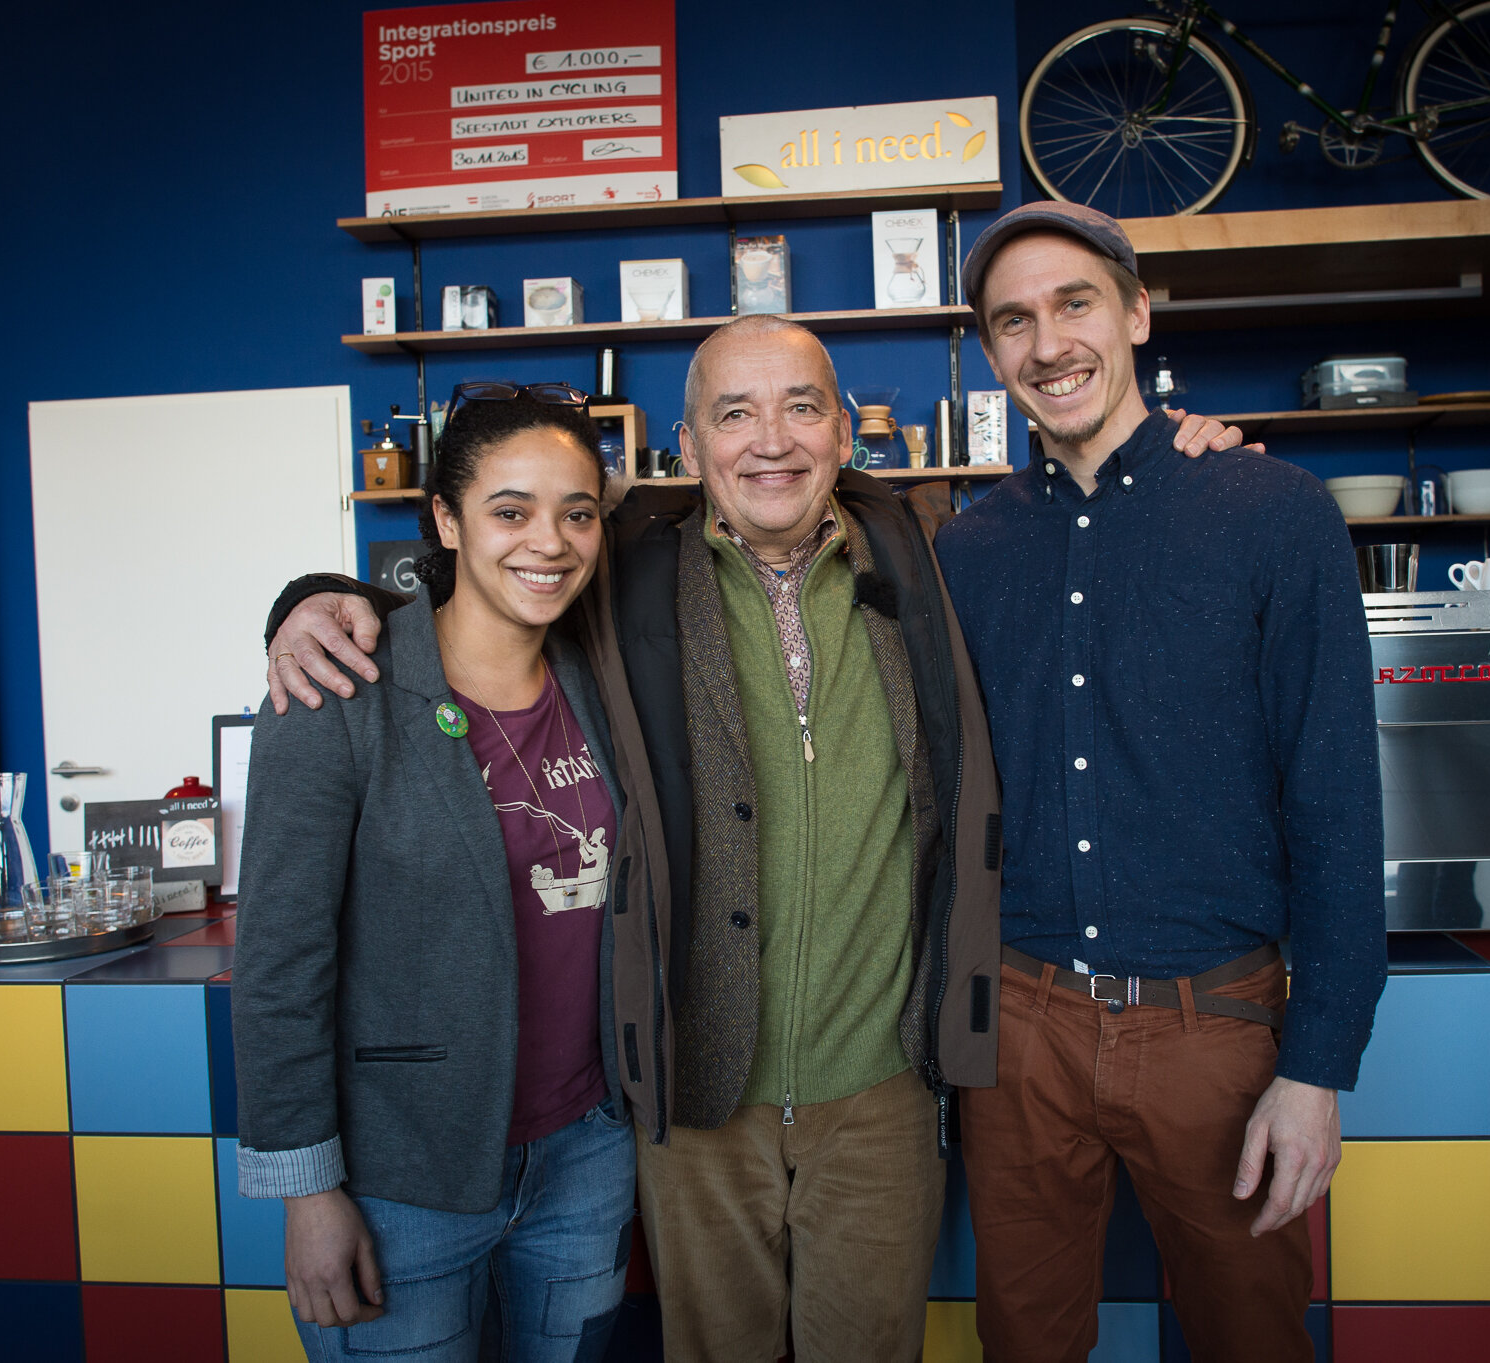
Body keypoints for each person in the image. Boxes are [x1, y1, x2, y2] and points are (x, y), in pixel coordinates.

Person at [260, 318, 1251, 1363]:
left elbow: (1078, 536)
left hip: (881, 1089)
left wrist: (1182, 462)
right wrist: (320, 603)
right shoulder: (621, 573)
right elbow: (487, 590)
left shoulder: (928, 553)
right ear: (688, 449)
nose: (770, 439)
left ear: (843, 435)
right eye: (734, 413)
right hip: (693, 1096)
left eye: (801, 407)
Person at [934, 201, 1387, 1362]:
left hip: (1213, 1028)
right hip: (1019, 1032)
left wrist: (1316, 1067)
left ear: (1135, 313)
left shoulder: (1272, 514)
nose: (1047, 344)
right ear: (988, 351)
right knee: (1023, 1345)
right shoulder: (965, 550)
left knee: (1252, 1339)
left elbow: (1336, 801)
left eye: (1074, 304)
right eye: (1012, 321)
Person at [231, 384, 672, 1363]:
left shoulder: (597, 679)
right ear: (445, 518)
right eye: (510, 510)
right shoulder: (339, 689)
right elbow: (278, 965)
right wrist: (308, 1193)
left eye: (577, 513)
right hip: (402, 1179)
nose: (549, 542)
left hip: (586, 1155)